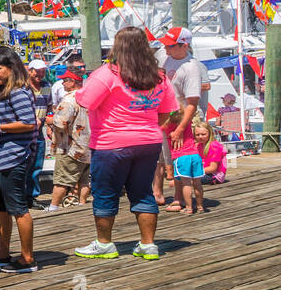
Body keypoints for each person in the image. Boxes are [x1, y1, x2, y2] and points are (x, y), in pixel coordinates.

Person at [74, 26, 178, 260]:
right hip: (148, 142)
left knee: (105, 194)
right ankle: (148, 244)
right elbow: (166, 112)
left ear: (117, 47)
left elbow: (85, 101)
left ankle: (104, 244)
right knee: (143, 193)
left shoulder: (108, 73)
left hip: (111, 144)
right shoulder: (159, 76)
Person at [0, 47, 40, 272]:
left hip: (14, 156)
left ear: (12, 68)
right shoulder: (6, 92)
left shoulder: (18, 91)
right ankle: (2, 252)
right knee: (1, 208)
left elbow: (29, 122)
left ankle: (27, 257)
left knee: (18, 208)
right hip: (2, 157)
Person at [159, 29, 209, 211]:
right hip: (164, 116)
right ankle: (165, 194)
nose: (165, 47)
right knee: (165, 159)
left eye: (170, 45)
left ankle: (180, 199)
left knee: (180, 156)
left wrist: (180, 128)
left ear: (184, 45)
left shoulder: (191, 67)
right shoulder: (165, 56)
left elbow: (192, 104)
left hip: (180, 119)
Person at [48, 68, 90, 209]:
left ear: (73, 82)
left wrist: (48, 120)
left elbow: (61, 122)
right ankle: (82, 203)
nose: (62, 83)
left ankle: (53, 207)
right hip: (88, 145)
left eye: (65, 80)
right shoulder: (88, 96)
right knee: (84, 179)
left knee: (62, 180)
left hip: (70, 147)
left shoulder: (70, 99)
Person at [172, 118, 212, 214]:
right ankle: (200, 206)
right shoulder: (188, 125)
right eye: (198, 135)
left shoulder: (173, 129)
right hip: (195, 156)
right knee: (197, 184)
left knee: (186, 184)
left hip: (182, 156)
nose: (199, 136)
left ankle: (189, 208)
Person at [27, 59, 52, 203]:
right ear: (30, 71)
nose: (40, 74)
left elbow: (49, 107)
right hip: (26, 131)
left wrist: (49, 125)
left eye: (43, 71)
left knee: (37, 164)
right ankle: (25, 195)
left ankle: (32, 196)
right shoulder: (24, 87)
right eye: (37, 71)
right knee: (26, 164)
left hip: (40, 130)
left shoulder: (46, 86)